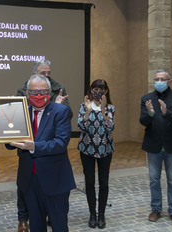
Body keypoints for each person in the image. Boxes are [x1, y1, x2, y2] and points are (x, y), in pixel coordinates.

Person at [7, 74, 76, 232]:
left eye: (43, 91)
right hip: (30, 182)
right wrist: (4, 121)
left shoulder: (61, 111)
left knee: (59, 226)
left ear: (50, 92)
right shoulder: (19, 112)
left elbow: (61, 143)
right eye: (34, 92)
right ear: (26, 93)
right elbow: (10, 143)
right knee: (36, 227)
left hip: (55, 181)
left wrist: (34, 146)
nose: (38, 95)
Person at [139, 69, 172, 226]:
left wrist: (167, 113)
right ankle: (156, 209)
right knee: (154, 180)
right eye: (156, 79)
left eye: (162, 79)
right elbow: (143, 121)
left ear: (169, 81)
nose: (159, 82)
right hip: (153, 145)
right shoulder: (146, 98)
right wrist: (151, 114)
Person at [77, 79, 115, 229]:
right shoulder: (83, 106)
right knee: (90, 182)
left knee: (104, 183)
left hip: (105, 149)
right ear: (91, 90)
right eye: (95, 88)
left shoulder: (110, 108)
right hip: (87, 149)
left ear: (106, 91)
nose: (98, 91)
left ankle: (102, 214)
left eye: (101, 89)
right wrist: (87, 111)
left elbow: (110, 127)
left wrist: (104, 110)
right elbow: (81, 126)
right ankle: (92, 214)